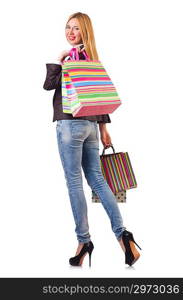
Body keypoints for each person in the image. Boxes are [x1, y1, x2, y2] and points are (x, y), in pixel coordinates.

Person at [43, 12, 141, 267]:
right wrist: (105, 130)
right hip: (91, 127)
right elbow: (98, 97)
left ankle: (83, 241)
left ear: (84, 32)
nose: (70, 32)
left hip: (70, 125)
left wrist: (58, 60)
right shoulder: (93, 60)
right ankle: (124, 237)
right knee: (97, 180)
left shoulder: (70, 60)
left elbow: (48, 85)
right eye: (68, 27)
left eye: (75, 28)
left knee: (75, 183)